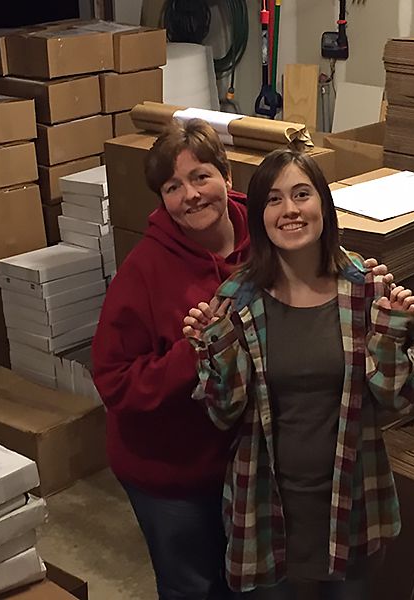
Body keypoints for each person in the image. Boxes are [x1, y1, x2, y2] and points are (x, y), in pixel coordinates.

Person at [92, 120, 392, 600]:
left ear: (226, 177)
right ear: (161, 199)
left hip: (245, 465)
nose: (191, 194)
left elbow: (317, 263)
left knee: (242, 585)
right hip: (171, 468)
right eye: (173, 186)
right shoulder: (144, 271)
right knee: (194, 585)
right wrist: (200, 350)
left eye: (201, 176)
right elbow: (113, 381)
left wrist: (362, 282)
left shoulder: (266, 237)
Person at [183, 148, 414, 599]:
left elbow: (398, 397)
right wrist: (217, 346)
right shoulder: (234, 300)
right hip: (266, 506)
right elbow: (222, 413)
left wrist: (392, 332)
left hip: (353, 500)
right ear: (259, 217)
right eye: (274, 200)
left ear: (323, 207)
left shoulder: (368, 289)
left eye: (301, 194)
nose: (290, 210)